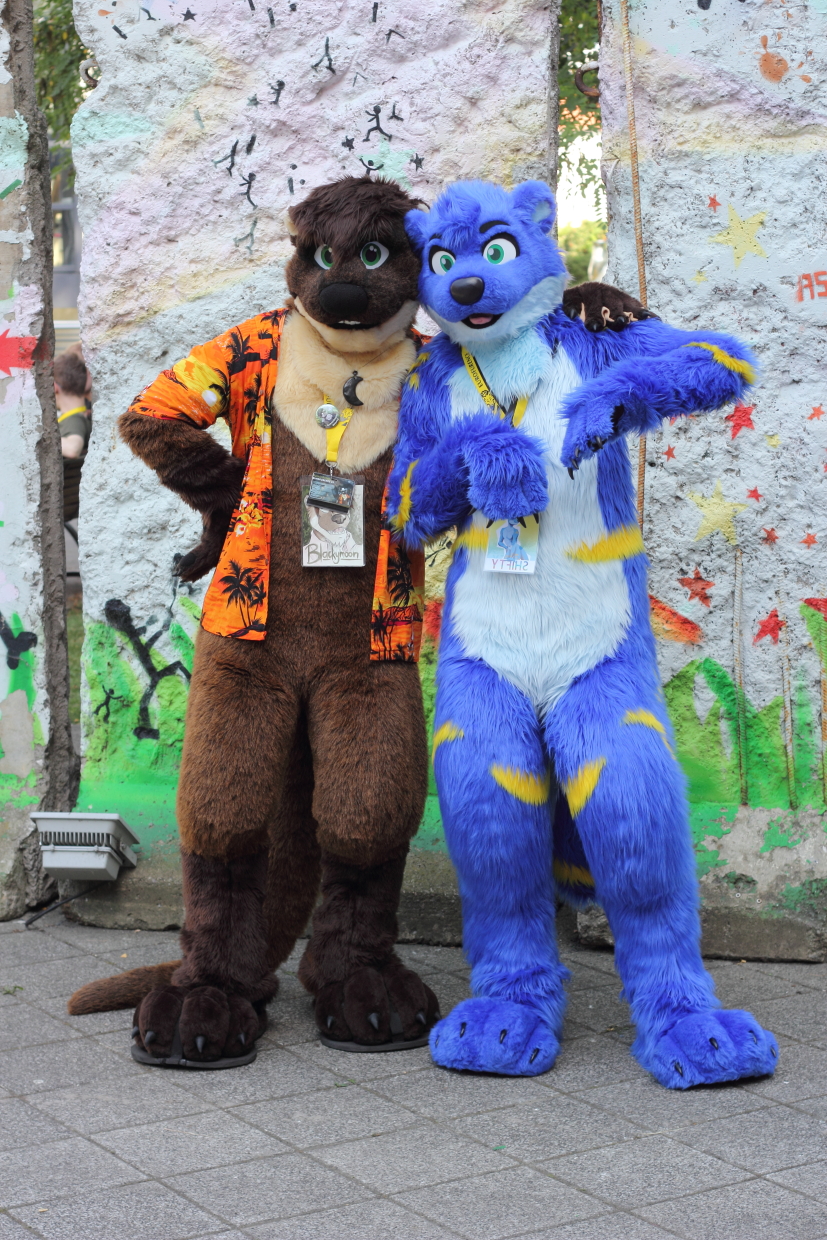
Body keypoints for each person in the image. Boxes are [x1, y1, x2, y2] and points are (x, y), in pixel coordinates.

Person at [54, 349, 91, 524]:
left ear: (54, 387)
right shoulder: (81, 415)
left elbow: (73, 449)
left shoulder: (74, 419)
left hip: (58, 504)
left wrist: (43, 437)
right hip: (70, 502)